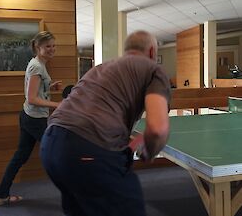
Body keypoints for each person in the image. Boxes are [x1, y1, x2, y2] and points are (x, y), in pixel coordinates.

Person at [40, 30, 171, 216]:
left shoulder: (100, 69)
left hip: (51, 146)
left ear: (127, 51)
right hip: (88, 151)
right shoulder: (153, 69)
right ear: (151, 52)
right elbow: (158, 129)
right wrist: (149, 151)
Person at [0, 31, 61, 206]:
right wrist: (57, 105)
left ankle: (1, 196)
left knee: (20, 156)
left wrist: (50, 87)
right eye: (48, 46)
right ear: (38, 47)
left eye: (54, 45)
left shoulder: (38, 64)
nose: (52, 49)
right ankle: (75, 195)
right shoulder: (37, 66)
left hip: (29, 116)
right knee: (60, 153)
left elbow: (36, 92)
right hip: (34, 120)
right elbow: (32, 98)